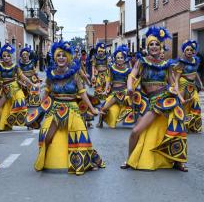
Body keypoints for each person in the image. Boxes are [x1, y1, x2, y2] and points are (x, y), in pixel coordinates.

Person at [27, 41, 104, 175]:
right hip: (56, 108)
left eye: (63, 55)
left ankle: (86, 162)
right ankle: (45, 160)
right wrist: (37, 112)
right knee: (46, 136)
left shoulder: (75, 75)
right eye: (58, 55)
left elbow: (83, 94)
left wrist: (92, 109)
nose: (61, 57)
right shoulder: (51, 75)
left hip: (73, 108)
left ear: (68, 58)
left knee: (81, 136)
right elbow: (46, 94)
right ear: (55, 58)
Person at [121, 26, 188, 172]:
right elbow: (131, 76)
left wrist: (180, 98)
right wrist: (130, 88)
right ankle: (130, 158)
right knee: (135, 132)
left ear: (161, 46)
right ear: (147, 46)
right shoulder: (142, 62)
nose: (154, 47)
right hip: (150, 102)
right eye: (151, 44)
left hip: (166, 99)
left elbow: (172, 83)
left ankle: (178, 161)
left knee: (176, 129)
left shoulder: (166, 65)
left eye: (157, 44)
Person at [0, 44, 35, 131]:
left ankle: (29, 124)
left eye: (8, 56)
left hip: (15, 88)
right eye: (4, 56)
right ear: (2, 57)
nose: (6, 57)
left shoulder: (15, 66)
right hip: (5, 89)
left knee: (21, 106)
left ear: (11, 57)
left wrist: (32, 84)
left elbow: (22, 76)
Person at [97, 45, 135, 129]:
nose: (120, 59)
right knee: (105, 107)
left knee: (134, 104)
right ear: (115, 58)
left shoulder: (128, 70)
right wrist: (106, 90)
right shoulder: (112, 68)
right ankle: (100, 120)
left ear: (124, 58)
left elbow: (131, 80)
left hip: (124, 91)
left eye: (121, 57)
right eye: (118, 58)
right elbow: (108, 80)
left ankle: (136, 121)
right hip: (115, 92)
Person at [175, 40, 204, 133]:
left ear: (193, 51)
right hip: (184, 85)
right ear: (184, 51)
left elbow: (195, 73)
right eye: (187, 50)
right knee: (184, 105)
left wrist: (201, 83)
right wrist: (177, 89)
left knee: (196, 103)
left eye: (191, 50)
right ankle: (181, 125)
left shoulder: (195, 60)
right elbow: (177, 78)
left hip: (192, 85)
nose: (189, 52)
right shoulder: (181, 63)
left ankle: (193, 125)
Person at [17, 47, 42, 112]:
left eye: (26, 55)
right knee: (22, 88)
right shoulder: (19, 63)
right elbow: (19, 73)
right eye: (23, 55)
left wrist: (37, 77)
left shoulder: (32, 62)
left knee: (35, 86)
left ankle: (34, 101)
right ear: (21, 56)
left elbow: (34, 70)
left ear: (28, 55)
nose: (25, 56)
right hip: (23, 78)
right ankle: (24, 101)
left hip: (32, 77)